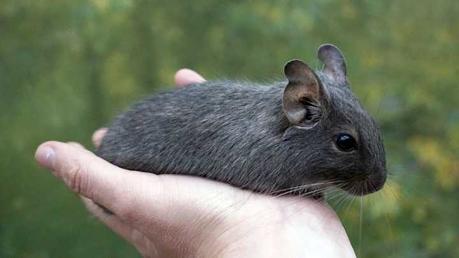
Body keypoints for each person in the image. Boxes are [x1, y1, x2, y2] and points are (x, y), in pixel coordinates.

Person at [35, 69, 356, 258]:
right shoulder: (271, 151)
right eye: (345, 144)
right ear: (300, 107)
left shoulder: (280, 145)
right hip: (130, 152)